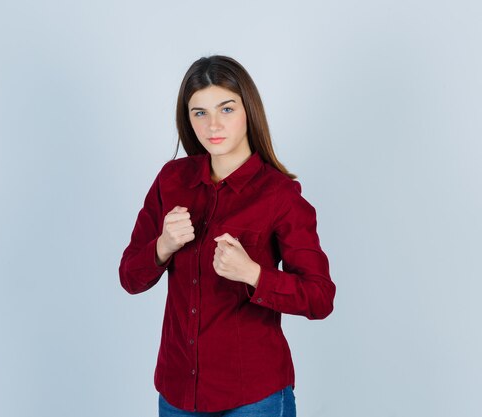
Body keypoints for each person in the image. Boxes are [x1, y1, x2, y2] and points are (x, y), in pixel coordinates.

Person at [119, 55, 336, 417]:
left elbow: (320, 297)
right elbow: (130, 277)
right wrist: (163, 246)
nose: (213, 125)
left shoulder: (280, 196)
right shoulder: (171, 181)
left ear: (248, 110)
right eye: (199, 112)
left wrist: (254, 274)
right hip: (177, 395)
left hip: (254, 398)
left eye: (226, 108)